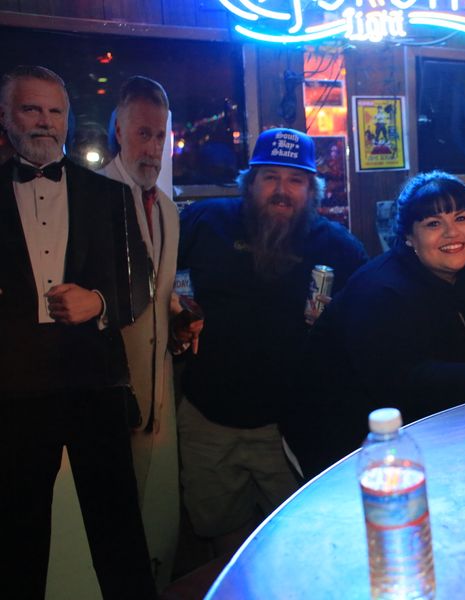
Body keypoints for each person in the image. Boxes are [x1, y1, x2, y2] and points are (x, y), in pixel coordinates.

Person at [0, 65, 156, 599]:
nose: (45, 122)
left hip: (94, 381)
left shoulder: (108, 194)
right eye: (31, 109)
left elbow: (141, 282)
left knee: (119, 533)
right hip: (14, 390)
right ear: (6, 116)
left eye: (56, 111)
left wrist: (100, 301)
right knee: (16, 540)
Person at [176, 127, 367, 557]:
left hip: (291, 430)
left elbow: (364, 333)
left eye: (296, 180)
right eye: (271, 177)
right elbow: (160, 277)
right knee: (223, 539)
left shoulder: (340, 248)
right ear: (250, 183)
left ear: (312, 191)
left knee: (299, 544)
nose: (282, 190)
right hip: (207, 422)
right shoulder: (204, 222)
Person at [284, 171, 465, 476]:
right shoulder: (378, 289)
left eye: (461, 218)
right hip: (346, 448)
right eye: (433, 224)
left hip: (441, 435)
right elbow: (399, 381)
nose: (452, 233)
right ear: (408, 236)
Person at [100, 75, 201, 588]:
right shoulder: (91, 200)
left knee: (157, 529)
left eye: (161, 136)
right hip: (109, 399)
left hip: (160, 393)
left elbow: (157, 294)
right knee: (109, 537)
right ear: (119, 131)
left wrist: (179, 317)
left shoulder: (166, 210)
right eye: (143, 133)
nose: (153, 148)